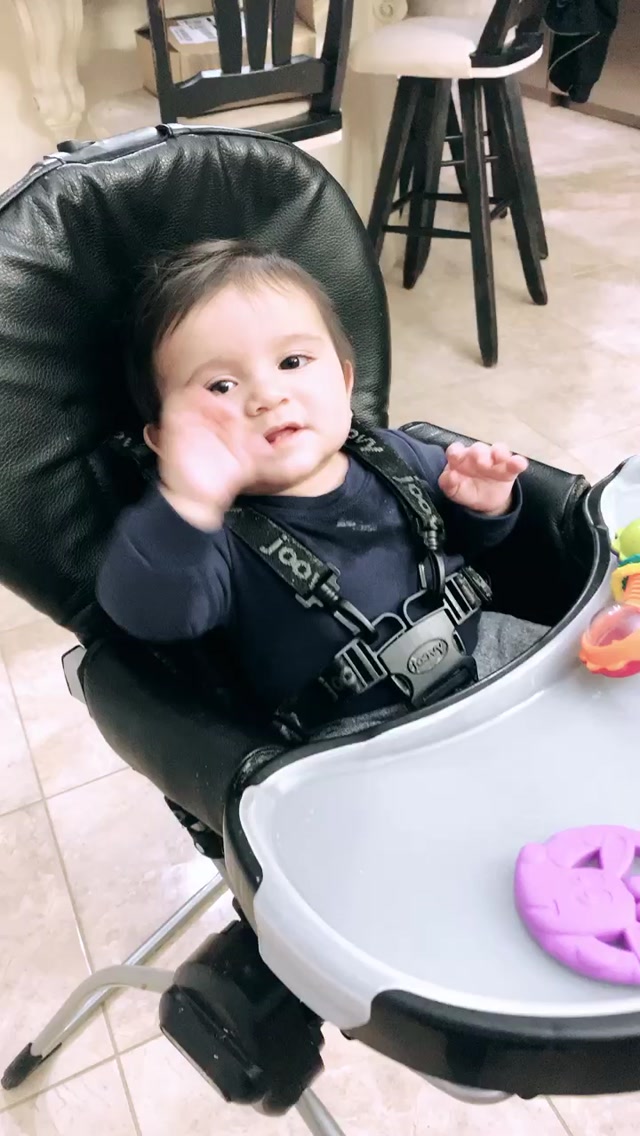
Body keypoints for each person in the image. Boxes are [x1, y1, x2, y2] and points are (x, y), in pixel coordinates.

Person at [98, 239, 546, 741]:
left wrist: (485, 506)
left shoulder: (395, 455)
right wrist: (183, 505)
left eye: (292, 361)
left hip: (487, 647)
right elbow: (145, 611)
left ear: (345, 380)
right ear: (166, 441)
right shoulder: (212, 542)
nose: (267, 396)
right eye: (221, 386)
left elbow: (465, 543)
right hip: (362, 733)